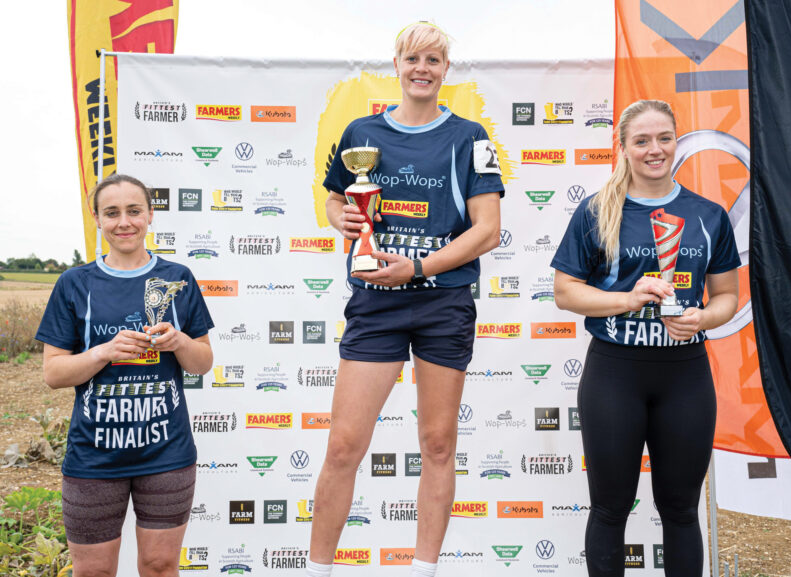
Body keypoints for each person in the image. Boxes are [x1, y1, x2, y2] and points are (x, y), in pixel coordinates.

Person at [307, 22, 504, 577]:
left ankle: (424, 569)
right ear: (396, 63)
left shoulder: (471, 137)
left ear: (446, 71)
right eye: (414, 57)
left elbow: (486, 229)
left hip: (443, 302)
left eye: (435, 60)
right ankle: (316, 568)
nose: (423, 68)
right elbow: (336, 198)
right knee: (344, 446)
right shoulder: (361, 132)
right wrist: (340, 217)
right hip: (376, 303)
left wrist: (416, 267)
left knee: (438, 444)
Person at [551, 100, 741, 577]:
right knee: (610, 509)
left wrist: (700, 319)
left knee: (680, 510)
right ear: (624, 148)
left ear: (677, 142)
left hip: (685, 376)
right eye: (642, 141)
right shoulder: (597, 210)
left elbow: (726, 298)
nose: (655, 150)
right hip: (615, 374)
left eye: (664, 138)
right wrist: (628, 299)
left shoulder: (708, 214)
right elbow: (565, 293)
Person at [36, 173, 214, 577]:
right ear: (97, 219)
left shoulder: (179, 278)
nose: (124, 222)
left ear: (150, 215)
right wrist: (103, 352)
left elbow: (202, 363)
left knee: (159, 566)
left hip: (166, 453)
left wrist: (179, 343)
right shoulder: (74, 283)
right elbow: (53, 372)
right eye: (111, 212)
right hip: (94, 458)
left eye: (134, 211)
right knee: (94, 572)